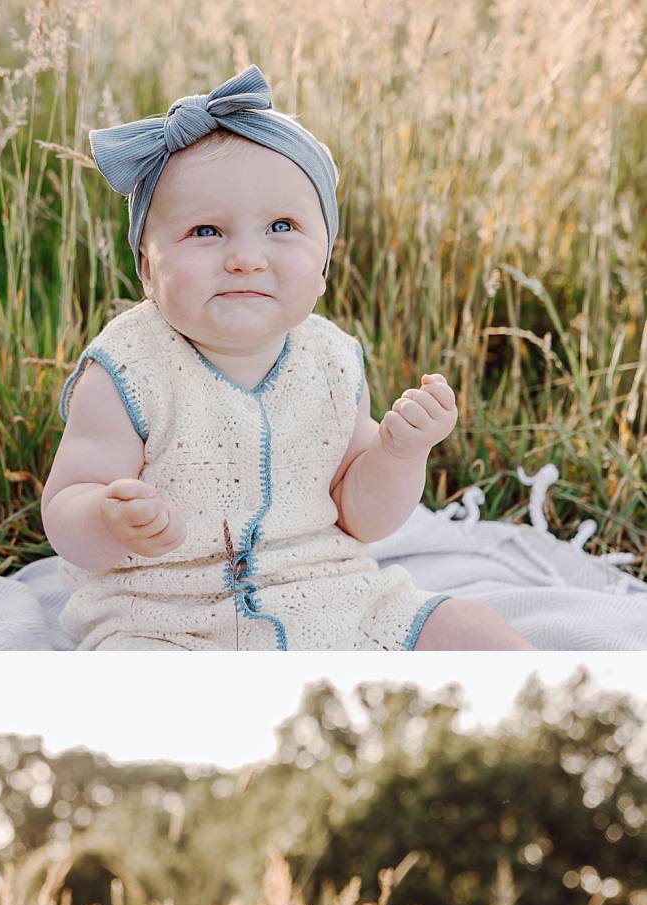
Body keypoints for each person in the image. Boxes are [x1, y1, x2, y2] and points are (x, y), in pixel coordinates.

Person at [42, 68, 530, 652]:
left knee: (469, 629)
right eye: (205, 230)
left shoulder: (332, 362)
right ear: (147, 268)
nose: (246, 257)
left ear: (324, 262)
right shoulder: (127, 370)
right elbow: (65, 508)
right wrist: (103, 517)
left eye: (282, 226)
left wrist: (399, 454)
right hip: (166, 615)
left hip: (331, 593)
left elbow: (361, 519)